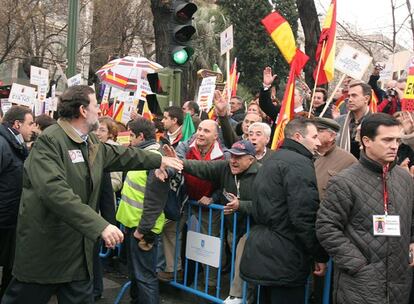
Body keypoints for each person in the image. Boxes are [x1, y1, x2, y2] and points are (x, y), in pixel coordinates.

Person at [1, 85, 183, 304]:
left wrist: (158, 159)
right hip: (47, 251)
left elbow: (121, 154)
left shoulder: (91, 142)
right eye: (96, 105)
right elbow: (54, 192)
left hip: (78, 254)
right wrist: (100, 225)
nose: (99, 110)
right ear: (83, 110)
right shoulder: (50, 141)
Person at [316, 113, 414, 304]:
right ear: (367, 141)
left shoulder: (404, 179)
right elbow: (326, 228)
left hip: (399, 283)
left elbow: (411, 217)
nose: (394, 146)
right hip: (360, 284)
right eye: (387, 140)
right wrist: (359, 266)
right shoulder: (344, 182)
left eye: (397, 140)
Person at [240, 117, 328, 304]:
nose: (318, 142)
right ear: (298, 137)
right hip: (285, 255)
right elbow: (303, 215)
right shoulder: (298, 164)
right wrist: (318, 254)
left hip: (267, 252)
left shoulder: (274, 159)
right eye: (314, 137)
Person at [116, 117, 170, 304]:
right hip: (134, 227)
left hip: (144, 230)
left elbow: (155, 201)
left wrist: (142, 231)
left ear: (141, 136)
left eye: (131, 135)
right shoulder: (142, 154)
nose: (129, 139)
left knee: (145, 277)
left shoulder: (154, 159)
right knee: (136, 275)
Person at [0, 106, 35, 300]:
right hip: (4, 218)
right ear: (17, 124)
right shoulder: (3, 144)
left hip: (10, 218)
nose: (33, 128)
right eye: (30, 124)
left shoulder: (15, 144)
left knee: (11, 265)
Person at [314, 117, 357, 200]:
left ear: (331, 136)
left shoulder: (348, 161)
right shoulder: (305, 153)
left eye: (319, 130)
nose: (314, 134)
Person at [337, 81, 372, 159]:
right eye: (349, 96)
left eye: (354, 96)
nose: (349, 99)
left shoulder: (375, 123)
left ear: (366, 98)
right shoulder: (339, 121)